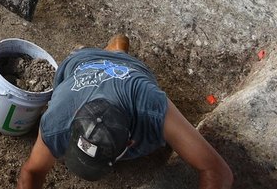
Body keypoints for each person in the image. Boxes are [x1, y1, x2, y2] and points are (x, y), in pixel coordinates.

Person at [17, 35, 233, 188]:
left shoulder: (150, 105)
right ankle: (104, 49)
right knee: (92, 56)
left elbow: (218, 172)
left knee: (120, 54)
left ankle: (117, 48)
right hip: (82, 62)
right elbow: (31, 172)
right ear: (73, 122)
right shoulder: (57, 121)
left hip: (130, 69)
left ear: (129, 142)